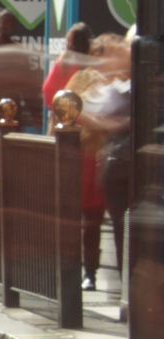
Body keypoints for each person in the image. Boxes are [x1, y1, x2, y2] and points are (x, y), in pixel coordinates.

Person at [74, 32, 132, 292]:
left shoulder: (123, 84)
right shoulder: (113, 85)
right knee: (121, 227)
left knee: (124, 229)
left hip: (121, 161)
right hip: (118, 161)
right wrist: (118, 124)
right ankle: (128, 292)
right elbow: (79, 108)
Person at [43, 22, 94, 105]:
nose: (67, 45)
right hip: (82, 113)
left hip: (66, 112)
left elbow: (48, 89)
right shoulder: (95, 62)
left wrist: (58, 107)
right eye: (67, 41)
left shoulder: (64, 60)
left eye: (69, 41)